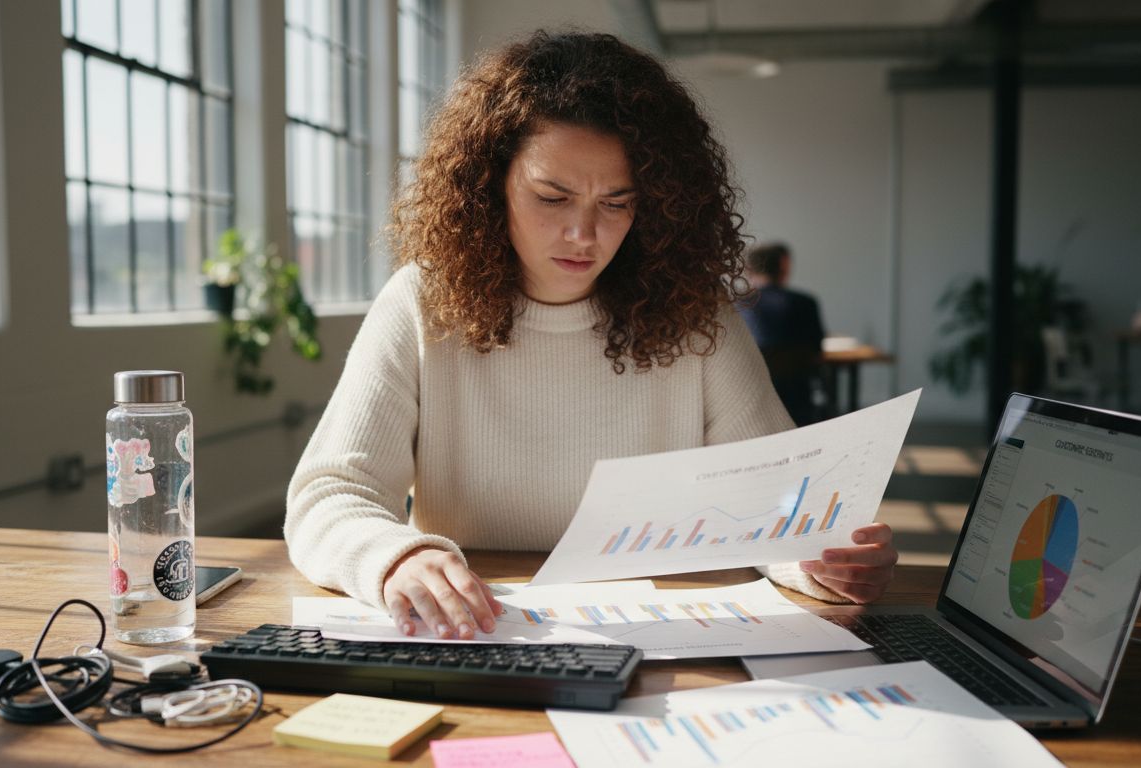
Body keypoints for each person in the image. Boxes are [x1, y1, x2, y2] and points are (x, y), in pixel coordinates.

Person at [285, 31, 897, 641]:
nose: (584, 234)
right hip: (478, 632)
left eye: (616, 203)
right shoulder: (423, 301)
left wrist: (821, 559)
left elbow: (776, 500)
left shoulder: (697, 315)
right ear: (490, 186)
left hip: (665, 636)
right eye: (553, 197)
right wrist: (395, 558)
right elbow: (331, 495)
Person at [738, 243, 827, 426]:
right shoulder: (805, 303)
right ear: (783, 268)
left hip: (749, 394)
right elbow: (817, 349)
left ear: (748, 269)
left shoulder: (737, 306)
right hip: (797, 396)